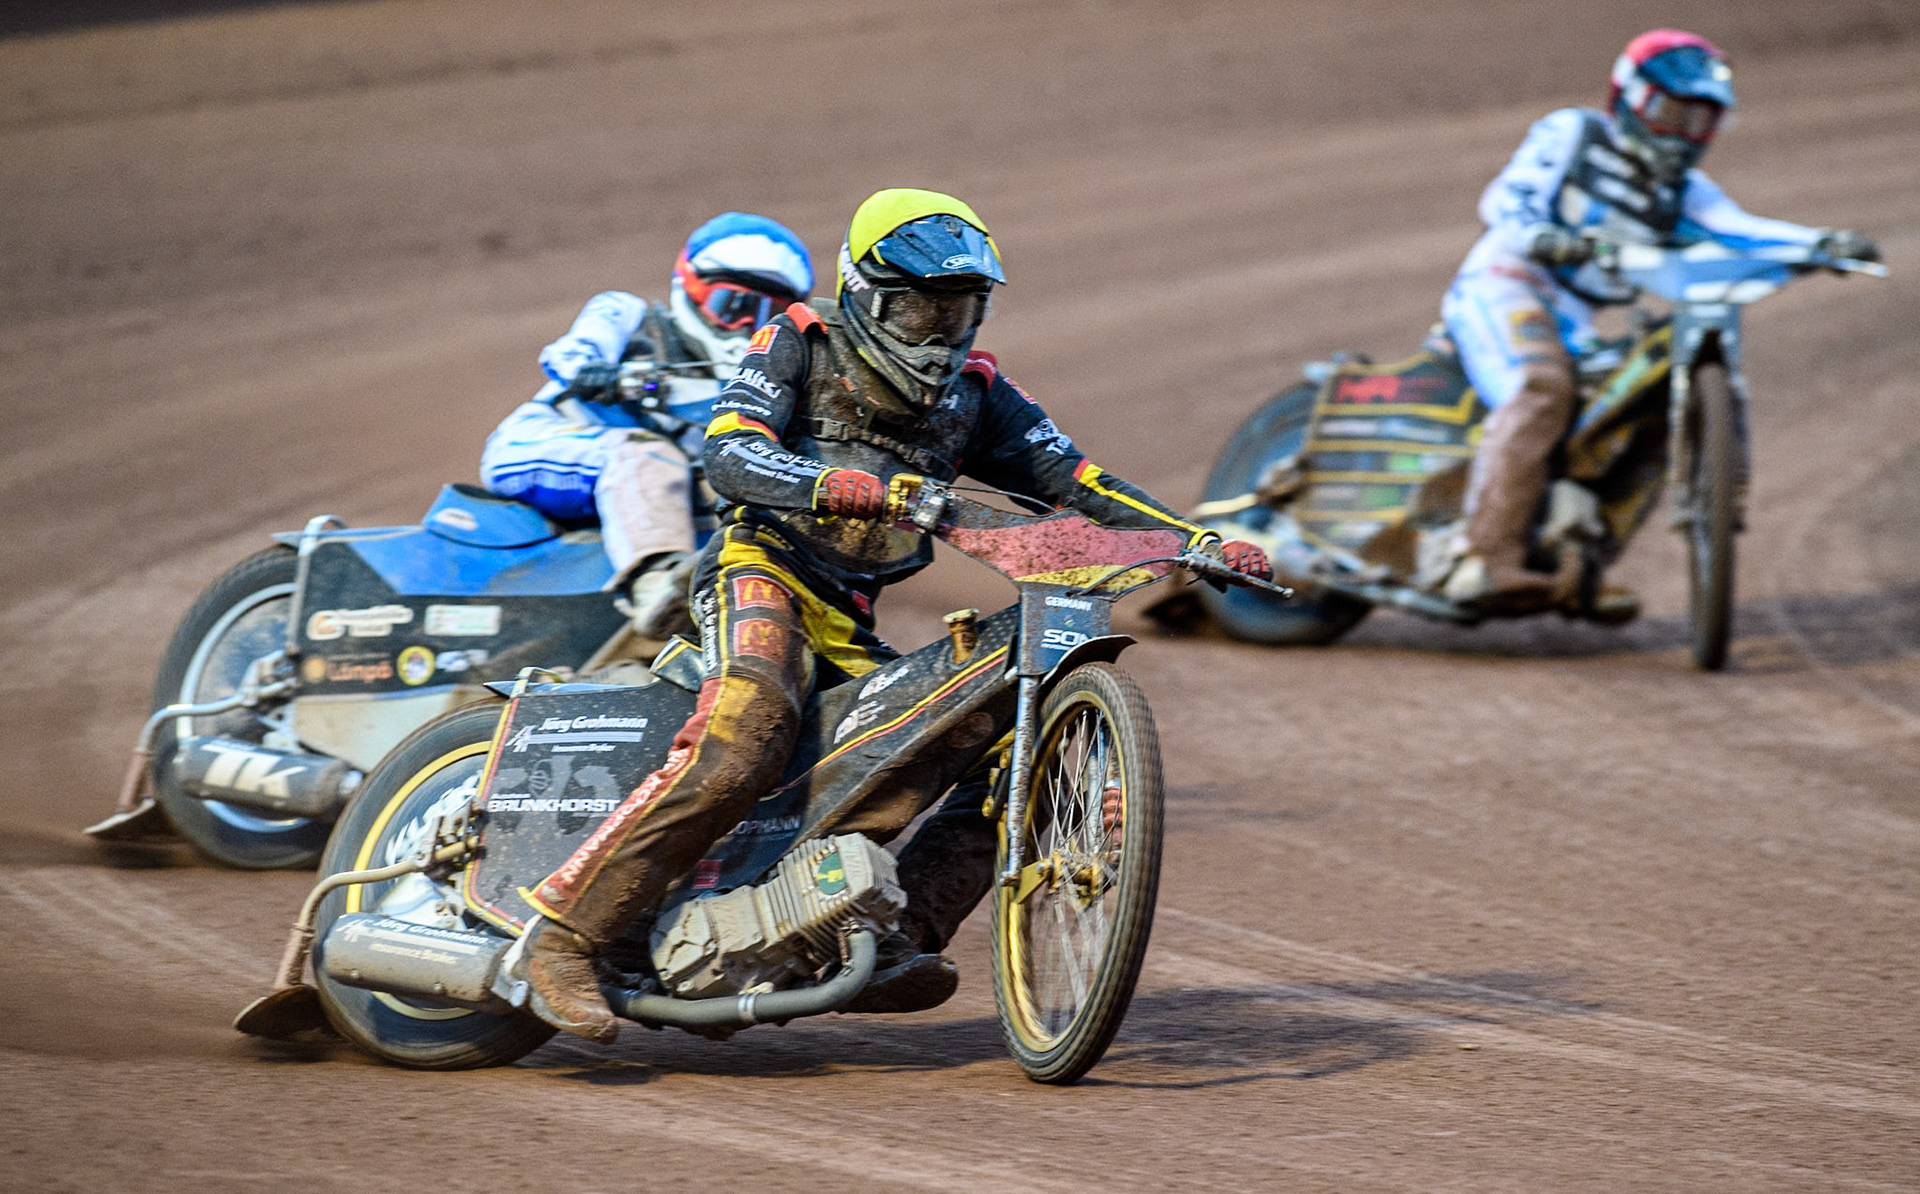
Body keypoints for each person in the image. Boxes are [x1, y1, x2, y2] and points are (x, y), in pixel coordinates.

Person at [510, 188, 1274, 1042]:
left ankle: (894, 932)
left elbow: (1081, 485)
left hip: (849, 613)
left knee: (976, 739)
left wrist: (1193, 540)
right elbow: (728, 451)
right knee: (750, 725)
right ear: (869, 294)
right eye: (920, 304)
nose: (939, 330)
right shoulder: (801, 340)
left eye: (959, 308)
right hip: (762, 571)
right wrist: (820, 483)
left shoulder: (979, 395)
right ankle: (566, 935)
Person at [1438, 30, 1878, 613]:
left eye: (1699, 122)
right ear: (1629, 97)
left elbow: (1736, 227)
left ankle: (1578, 568)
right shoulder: (1574, 134)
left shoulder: (1683, 193)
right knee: (1540, 390)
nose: (1682, 136)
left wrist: (1821, 244)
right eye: (1671, 113)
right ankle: (1482, 558)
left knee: (1636, 412)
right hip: (1507, 284)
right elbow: (1507, 198)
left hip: (1573, 320)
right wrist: (1541, 237)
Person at [480, 213, 814, 639]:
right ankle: (657, 584)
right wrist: (605, 375)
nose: (749, 325)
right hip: (537, 445)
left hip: (639, 482)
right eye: (735, 306)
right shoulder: (626, 315)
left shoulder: (754, 385)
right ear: (691, 288)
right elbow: (565, 355)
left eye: (772, 315)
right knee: (645, 452)